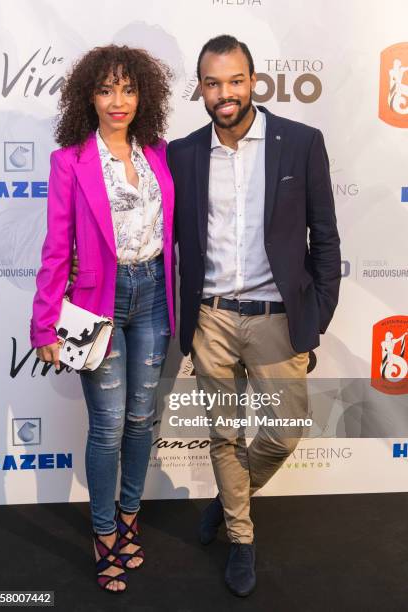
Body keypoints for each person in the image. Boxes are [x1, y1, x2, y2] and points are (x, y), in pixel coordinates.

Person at [167, 35, 341, 597]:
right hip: (211, 318)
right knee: (223, 435)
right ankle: (241, 538)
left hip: (276, 317)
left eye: (235, 81)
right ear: (200, 88)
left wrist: (316, 318)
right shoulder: (184, 153)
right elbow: (173, 244)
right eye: (213, 83)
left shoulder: (301, 143)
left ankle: (227, 498)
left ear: (254, 81)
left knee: (285, 431)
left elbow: (326, 240)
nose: (225, 94)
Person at [30, 45, 175, 593]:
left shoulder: (157, 152)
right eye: (107, 89)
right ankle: (103, 530)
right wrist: (45, 324)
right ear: (88, 96)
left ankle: (131, 516)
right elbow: (54, 247)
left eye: (129, 89)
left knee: (142, 419)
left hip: (156, 295)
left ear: (145, 95)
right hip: (99, 304)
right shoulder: (70, 161)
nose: (119, 101)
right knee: (109, 426)